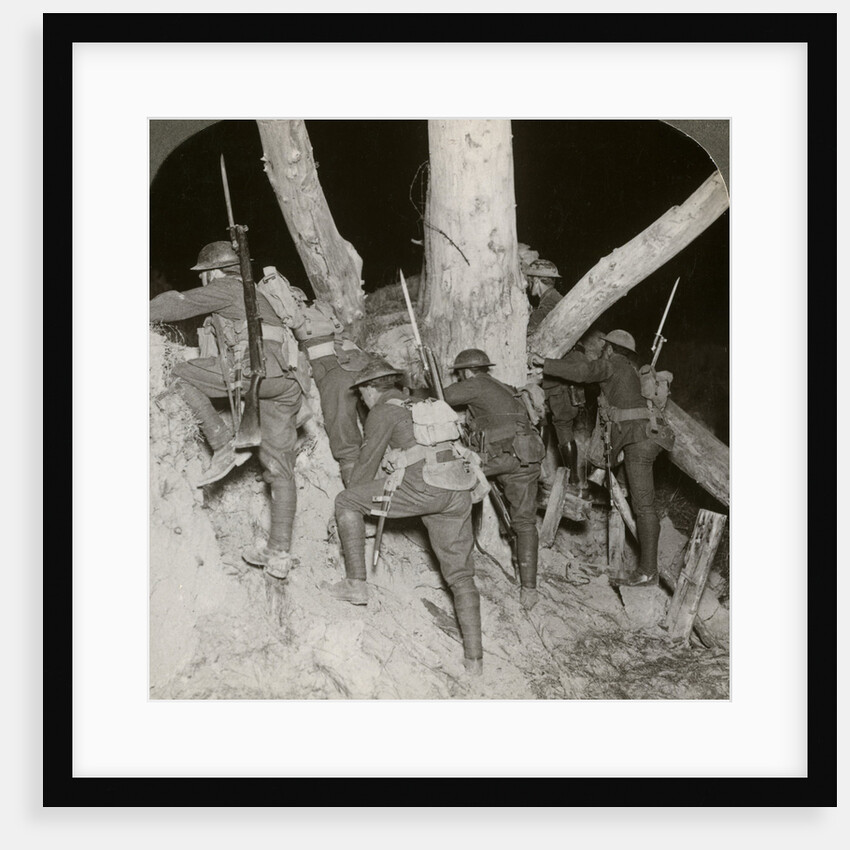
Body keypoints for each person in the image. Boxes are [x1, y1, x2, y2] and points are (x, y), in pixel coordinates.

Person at [149, 240, 304, 579]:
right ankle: (278, 553)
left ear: (214, 271)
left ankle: (221, 443)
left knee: (174, 372)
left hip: (253, 376)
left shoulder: (227, 288)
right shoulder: (259, 298)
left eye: (204, 275)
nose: (204, 280)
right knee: (280, 470)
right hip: (285, 383)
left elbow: (178, 305)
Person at [328, 358, 485, 675]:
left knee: (345, 500)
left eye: (362, 394)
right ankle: (475, 661)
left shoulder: (382, 411)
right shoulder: (419, 402)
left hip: (425, 486)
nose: (362, 400)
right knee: (461, 575)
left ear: (372, 389)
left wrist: (352, 511)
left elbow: (365, 468)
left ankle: (356, 583)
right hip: (457, 486)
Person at [531, 329, 674, 586]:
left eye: (604, 347)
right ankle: (646, 567)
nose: (602, 349)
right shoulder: (628, 371)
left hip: (640, 442)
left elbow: (584, 372)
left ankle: (647, 572)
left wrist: (547, 364)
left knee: (644, 507)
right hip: (644, 439)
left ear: (610, 349)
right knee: (639, 501)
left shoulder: (612, 366)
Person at [442, 349, 546, 611]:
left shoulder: (475, 384)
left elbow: (443, 397)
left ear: (466, 372)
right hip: (525, 455)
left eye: (460, 374)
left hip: (508, 458)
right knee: (524, 522)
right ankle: (529, 589)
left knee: (454, 478)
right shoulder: (503, 387)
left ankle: (458, 560)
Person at [287, 290, 372, 486]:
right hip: (358, 359)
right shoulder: (322, 307)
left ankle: (354, 486)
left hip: (334, 366)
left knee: (341, 422)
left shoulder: (291, 313)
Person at [540, 328, 606, 495]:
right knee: (554, 424)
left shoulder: (574, 353)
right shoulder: (579, 354)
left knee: (548, 423)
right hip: (565, 393)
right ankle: (571, 478)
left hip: (557, 390)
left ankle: (562, 476)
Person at [524, 258, 563, 333]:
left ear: (535, 280)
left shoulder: (550, 302)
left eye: (529, 281)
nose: (527, 285)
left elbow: (527, 328)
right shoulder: (554, 297)